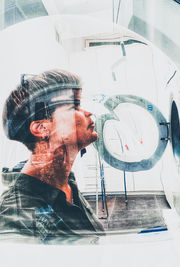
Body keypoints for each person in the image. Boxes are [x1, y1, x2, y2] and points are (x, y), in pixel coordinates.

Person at [0, 69, 104, 244]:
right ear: (41, 129)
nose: (88, 113)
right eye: (75, 106)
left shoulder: (65, 183)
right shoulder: (16, 216)